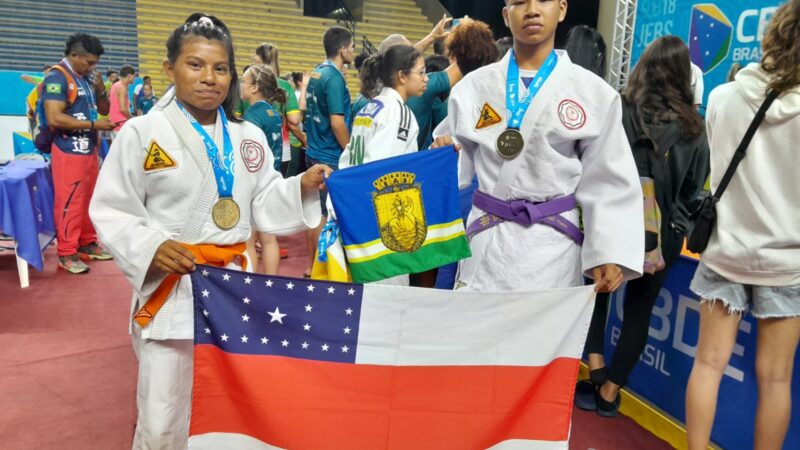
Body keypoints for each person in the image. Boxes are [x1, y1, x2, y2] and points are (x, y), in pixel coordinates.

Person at [88, 14, 327, 448]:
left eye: (220, 68)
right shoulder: (143, 133)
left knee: (230, 408)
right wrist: (151, 245)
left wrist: (300, 187)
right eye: (195, 65)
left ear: (232, 75)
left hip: (233, 289)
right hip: (173, 288)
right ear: (169, 68)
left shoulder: (248, 136)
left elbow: (265, 203)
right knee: (163, 415)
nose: (208, 78)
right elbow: (111, 208)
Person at [431, 0, 644, 295]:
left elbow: (609, 177)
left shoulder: (592, 93)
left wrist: (607, 250)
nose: (532, 9)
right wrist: (441, 152)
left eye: (543, 0)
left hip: (552, 245)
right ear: (506, 15)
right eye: (519, 2)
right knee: (477, 334)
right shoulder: (473, 88)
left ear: (562, 9)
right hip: (489, 236)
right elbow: (455, 165)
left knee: (543, 338)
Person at [685, 2, 800, 448]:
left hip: (726, 250)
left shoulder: (721, 97)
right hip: (788, 261)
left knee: (708, 365)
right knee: (776, 381)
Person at [576, 35, 710, 417]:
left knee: (597, 291)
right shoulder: (693, 128)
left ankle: (597, 368)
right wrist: (675, 229)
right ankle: (610, 392)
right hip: (662, 233)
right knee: (640, 310)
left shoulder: (619, 108)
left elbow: (593, 161)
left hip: (612, 218)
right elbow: (693, 192)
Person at [42, 33, 116, 274]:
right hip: (68, 151)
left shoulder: (84, 78)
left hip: (89, 150)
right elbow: (54, 118)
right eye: (88, 62)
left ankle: (86, 242)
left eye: (95, 62)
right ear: (73, 55)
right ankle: (67, 252)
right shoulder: (57, 77)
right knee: (69, 202)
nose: (92, 67)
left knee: (87, 200)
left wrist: (101, 90)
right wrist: (94, 126)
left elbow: (104, 109)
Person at [303, 26, 355, 278]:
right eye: (352, 47)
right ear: (343, 49)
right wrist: (351, 151)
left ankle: (310, 265)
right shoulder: (333, 77)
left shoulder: (317, 71)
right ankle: (319, 268)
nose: (354, 51)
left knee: (315, 212)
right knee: (326, 214)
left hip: (313, 148)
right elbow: (337, 122)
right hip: (330, 154)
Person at [340, 45, 427, 169]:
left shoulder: (370, 107)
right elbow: (388, 168)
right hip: (372, 185)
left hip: (354, 181)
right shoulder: (399, 113)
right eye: (421, 72)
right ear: (402, 76)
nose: (426, 78)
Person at [240, 64, 287, 275]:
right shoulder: (273, 112)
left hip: (254, 184)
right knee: (269, 239)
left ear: (255, 88)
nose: (240, 85)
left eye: (244, 81)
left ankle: (249, 288)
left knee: (248, 240)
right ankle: (271, 283)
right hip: (272, 181)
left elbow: (247, 157)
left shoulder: (252, 116)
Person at [109, 65, 135, 136]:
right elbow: (123, 109)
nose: (134, 78)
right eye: (134, 76)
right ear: (129, 76)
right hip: (121, 123)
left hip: (113, 122)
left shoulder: (114, 85)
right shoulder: (122, 88)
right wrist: (131, 119)